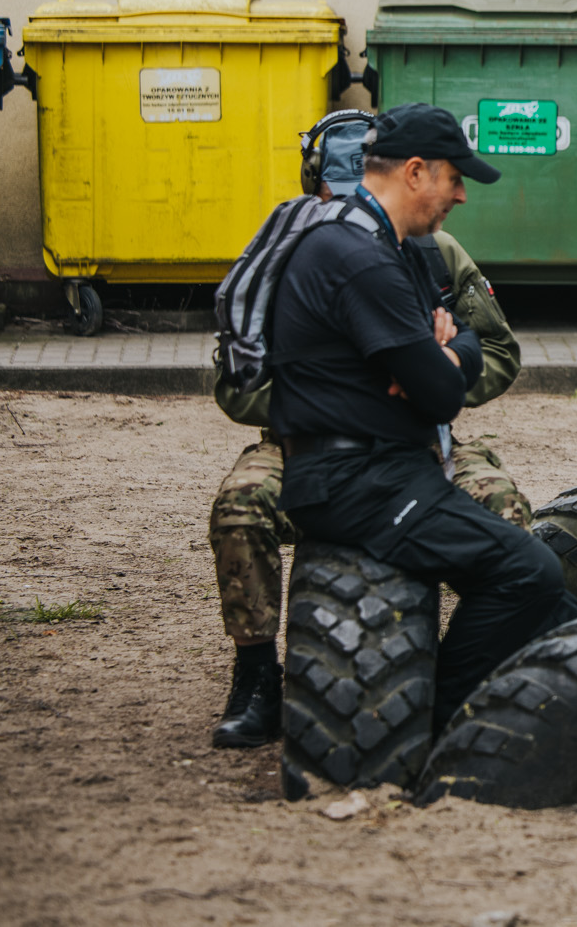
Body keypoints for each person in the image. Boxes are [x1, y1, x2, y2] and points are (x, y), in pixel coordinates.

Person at [208, 111, 532, 748]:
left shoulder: (435, 251)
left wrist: (425, 378)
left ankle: (464, 663)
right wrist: (350, 389)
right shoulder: (297, 245)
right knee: (239, 511)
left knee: (509, 517)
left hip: (424, 437)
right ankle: (255, 675)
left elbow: (495, 350)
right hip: (306, 442)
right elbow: (236, 378)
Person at [263, 103, 577, 733]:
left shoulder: (397, 248)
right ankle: (439, 724)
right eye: (454, 178)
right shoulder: (356, 255)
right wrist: (438, 361)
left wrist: (445, 353)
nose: (461, 195)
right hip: (353, 480)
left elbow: (461, 344)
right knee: (528, 570)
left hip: (389, 468)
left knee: (546, 588)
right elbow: (439, 394)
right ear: (415, 172)